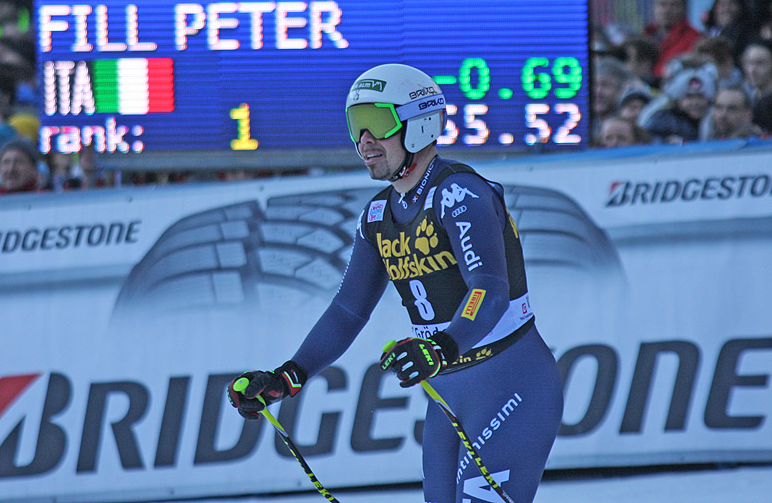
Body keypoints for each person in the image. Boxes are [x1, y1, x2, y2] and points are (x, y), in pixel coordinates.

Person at [227, 64, 562, 503]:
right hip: (449, 391)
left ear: (420, 124)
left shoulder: (460, 194)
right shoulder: (377, 215)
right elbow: (348, 310)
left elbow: (489, 289)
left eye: (379, 123)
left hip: (510, 379)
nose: (364, 141)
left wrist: (441, 346)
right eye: (355, 126)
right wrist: (290, 374)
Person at [645, 0, 703, 77]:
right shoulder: (646, 36)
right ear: (654, 7)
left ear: (684, 9)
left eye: (674, 5)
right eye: (662, 4)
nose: (667, 10)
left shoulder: (695, 40)